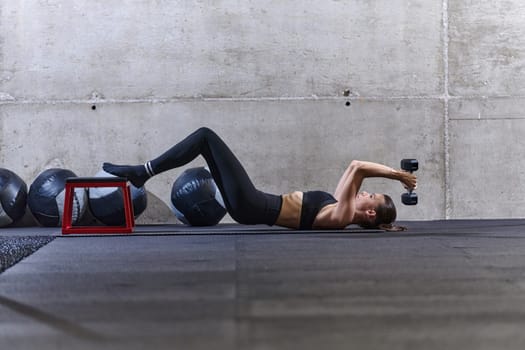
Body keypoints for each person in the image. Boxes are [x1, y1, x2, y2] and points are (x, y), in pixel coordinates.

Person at [103, 127, 417, 231]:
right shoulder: (338, 206)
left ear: (370, 213)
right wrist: (394, 175)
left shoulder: (343, 214)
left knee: (205, 136)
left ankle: (141, 173)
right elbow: (353, 171)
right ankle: (142, 173)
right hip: (252, 204)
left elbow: (358, 166)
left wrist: (396, 174)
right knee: (203, 141)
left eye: (370, 197)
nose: (364, 194)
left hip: (253, 205)